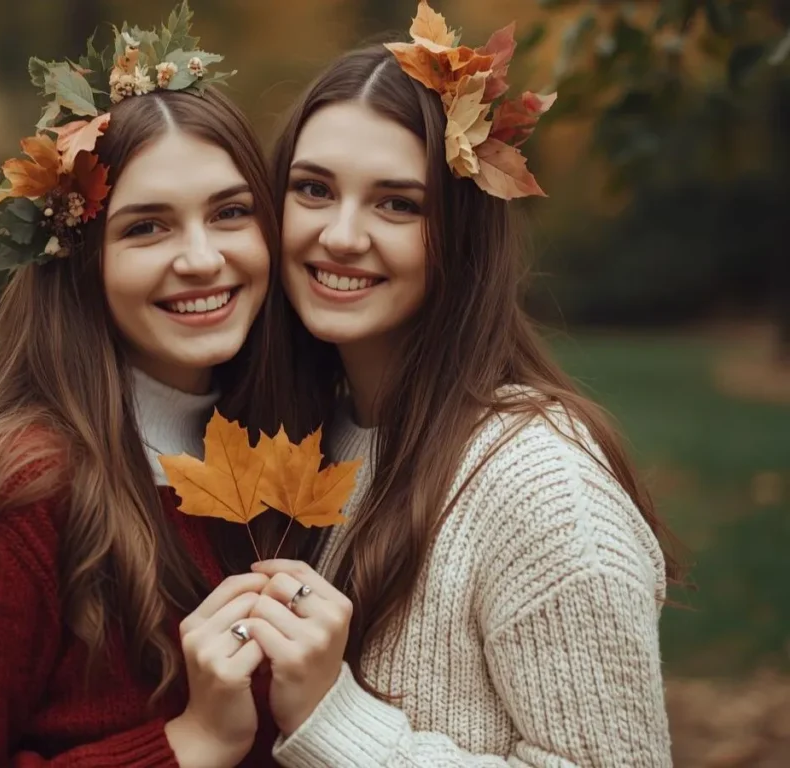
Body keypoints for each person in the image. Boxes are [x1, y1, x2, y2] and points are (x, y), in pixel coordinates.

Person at [238, 2, 681, 765]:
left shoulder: (541, 488)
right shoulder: (308, 439)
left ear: (463, 234)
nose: (340, 235)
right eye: (313, 190)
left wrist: (336, 723)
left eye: (397, 203)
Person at [0, 4, 301, 766]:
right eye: (147, 227)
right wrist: (187, 745)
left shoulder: (281, 456)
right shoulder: (13, 500)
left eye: (229, 213)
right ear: (80, 261)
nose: (202, 259)